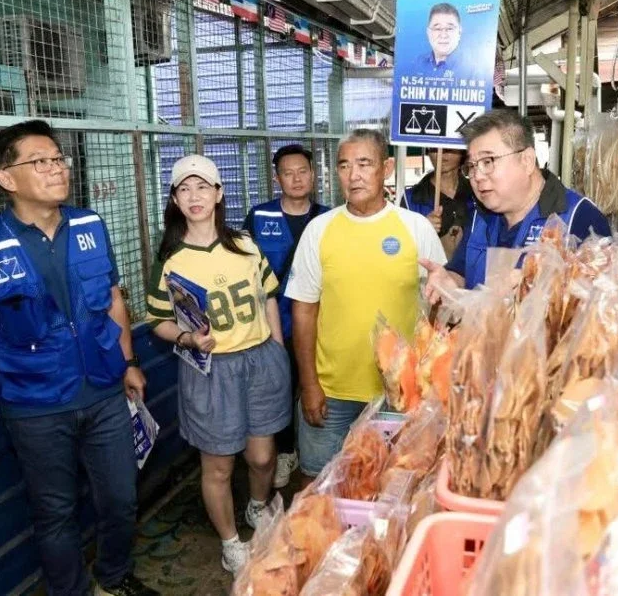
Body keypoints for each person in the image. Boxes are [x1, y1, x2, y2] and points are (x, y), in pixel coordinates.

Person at [0, 120, 157, 596]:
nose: (57, 168)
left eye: (58, 159)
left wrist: (127, 362)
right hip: (36, 405)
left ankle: (114, 576)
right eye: (39, 162)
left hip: (104, 391)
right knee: (55, 513)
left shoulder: (90, 224)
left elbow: (113, 299)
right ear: (7, 178)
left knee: (121, 499)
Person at [145, 155, 291, 576]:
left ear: (219, 193)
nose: (194, 196)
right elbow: (158, 320)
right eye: (184, 189)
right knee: (219, 464)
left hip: (260, 360)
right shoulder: (170, 260)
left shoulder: (244, 243)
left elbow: (268, 297)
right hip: (212, 369)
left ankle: (257, 507)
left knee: (263, 457)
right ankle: (231, 542)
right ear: (174, 199)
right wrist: (188, 338)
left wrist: (277, 351)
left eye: (203, 187)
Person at [285, 129, 446, 481]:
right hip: (332, 393)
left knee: (394, 485)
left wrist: (425, 383)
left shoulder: (415, 228)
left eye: (364, 163)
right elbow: (304, 311)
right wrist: (309, 384)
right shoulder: (319, 230)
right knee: (320, 485)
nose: (353, 174)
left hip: (400, 395)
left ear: (386, 168)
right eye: (344, 165)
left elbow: (438, 307)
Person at [423, 109, 611, 301]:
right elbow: (462, 272)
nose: (477, 176)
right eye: (471, 166)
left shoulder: (577, 217)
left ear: (527, 160)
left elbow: (606, 308)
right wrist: (449, 282)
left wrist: (543, 290)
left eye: (488, 161)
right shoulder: (479, 217)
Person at [242, 144, 329, 489]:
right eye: (288, 172)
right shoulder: (259, 216)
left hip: (317, 322)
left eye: (302, 171)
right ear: (277, 178)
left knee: (313, 386)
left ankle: (315, 452)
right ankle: (284, 451)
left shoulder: (328, 217)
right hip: (272, 323)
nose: (296, 178)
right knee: (277, 389)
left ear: (313, 174)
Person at [400, 147, 476, 258]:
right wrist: (422, 230)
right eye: (434, 148)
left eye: (449, 147)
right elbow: (399, 247)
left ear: (463, 152)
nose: (442, 153)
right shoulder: (410, 198)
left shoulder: (478, 193)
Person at [416, 2, 466, 79]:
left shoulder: (473, 70)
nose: (443, 35)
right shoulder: (417, 63)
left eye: (449, 28)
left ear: (459, 32)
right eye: (437, 29)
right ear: (428, 32)